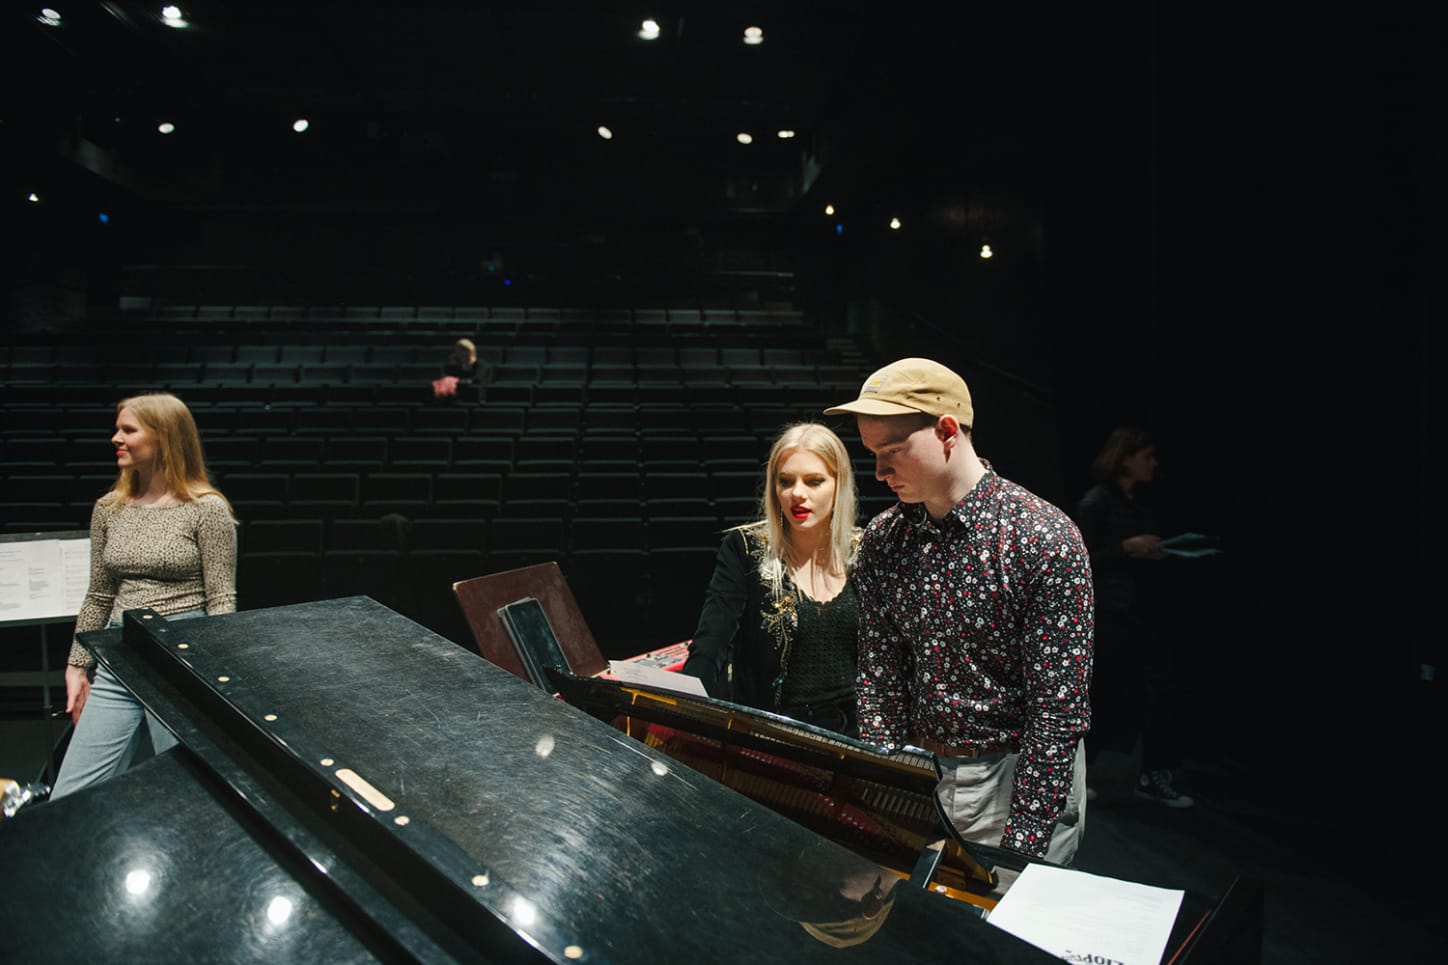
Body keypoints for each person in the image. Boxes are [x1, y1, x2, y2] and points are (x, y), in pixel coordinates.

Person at [823, 358, 1093, 864]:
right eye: (873, 454)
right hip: (922, 772)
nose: (879, 472)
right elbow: (880, 679)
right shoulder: (885, 539)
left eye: (892, 451)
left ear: (947, 431)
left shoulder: (1043, 538)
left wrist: (1023, 842)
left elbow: (1057, 713)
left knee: (1006, 913)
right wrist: (885, 789)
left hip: (1017, 774)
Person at [51, 393, 238, 800]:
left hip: (180, 658)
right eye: (117, 429)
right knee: (70, 795)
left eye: (128, 430)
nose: (116, 438)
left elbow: (222, 601)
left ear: (164, 437)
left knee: (190, 793)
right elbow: (99, 594)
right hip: (120, 651)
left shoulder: (207, 509)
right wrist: (77, 664)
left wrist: (213, 678)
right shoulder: (109, 508)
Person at [681, 422, 863, 736]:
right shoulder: (745, 549)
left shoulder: (867, 550)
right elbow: (711, 644)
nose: (797, 494)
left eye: (814, 481)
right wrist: (681, 702)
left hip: (852, 738)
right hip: (769, 735)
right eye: (786, 481)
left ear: (839, 485)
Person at [1074, 427, 1193, 807]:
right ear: (1125, 458)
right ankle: (1075, 775)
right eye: (1146, 457)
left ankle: (1152, 774)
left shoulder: (1139, 505)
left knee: (1150, 697)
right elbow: (1080, 560)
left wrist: (1154, 552)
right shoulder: (1097, 502)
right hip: (1107, 615)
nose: (1154, 464)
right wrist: (1126, 548)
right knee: (1101, 696)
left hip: (1138, 615)